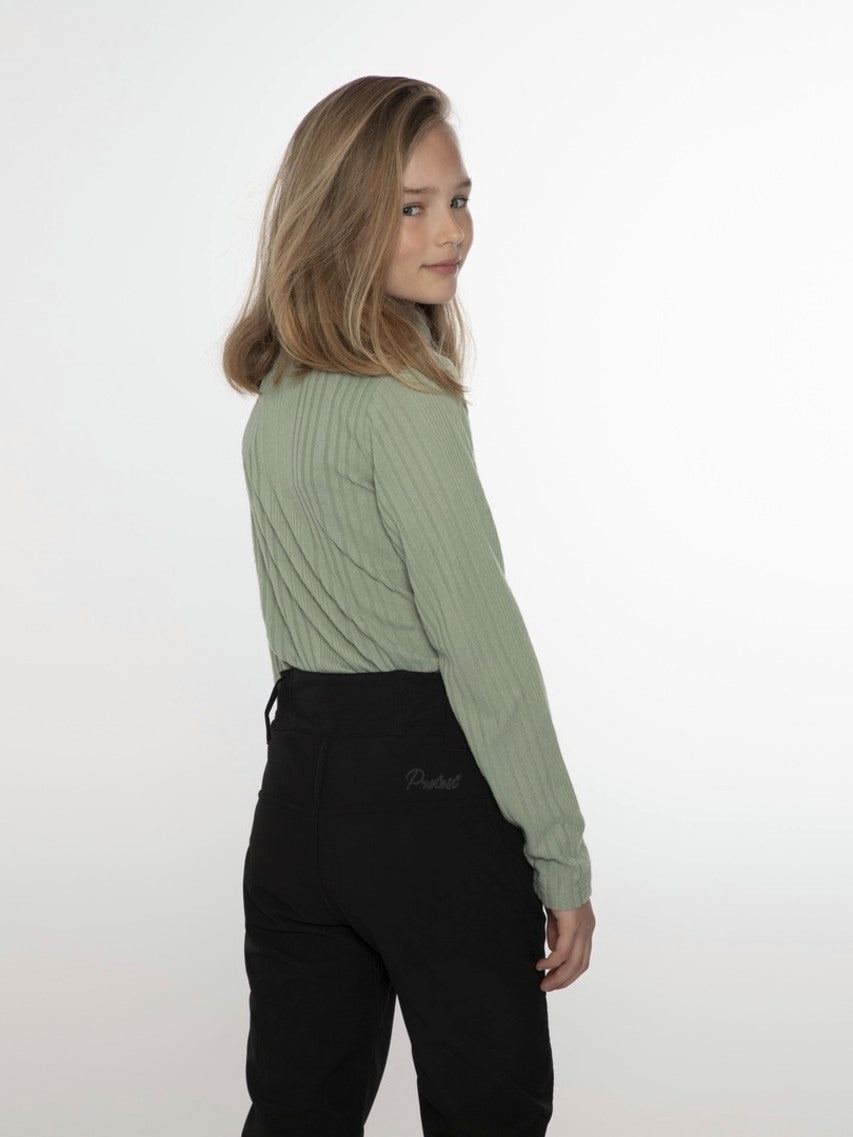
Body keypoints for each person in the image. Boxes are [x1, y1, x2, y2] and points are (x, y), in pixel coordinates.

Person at [222, 74, 596, 1137]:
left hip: (297, 792)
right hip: (424, 793)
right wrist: (559, 855)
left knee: (296, 1110)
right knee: (489, 1113)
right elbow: (480, 641)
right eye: (410, 207)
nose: (451, 233)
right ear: (337, 216)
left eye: (458, 199)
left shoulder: (281, 395)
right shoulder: (405, 395)